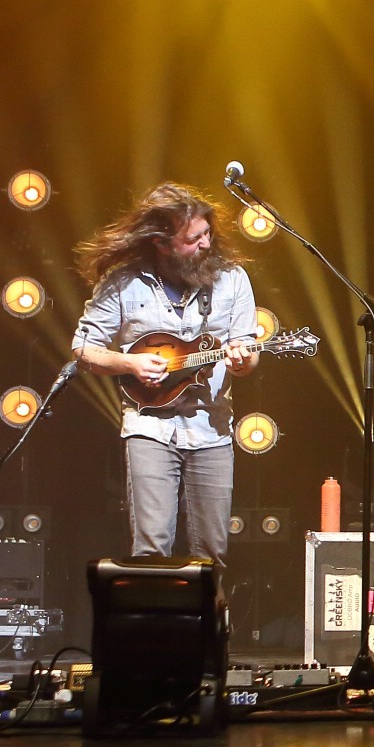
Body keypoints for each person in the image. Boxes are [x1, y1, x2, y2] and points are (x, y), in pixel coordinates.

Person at [72, 183, 258, 570]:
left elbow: (246, 351)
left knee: (212, 554)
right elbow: (83, 349)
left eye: (208, 233)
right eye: (193, 239)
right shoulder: (124, 282)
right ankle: (154, 630)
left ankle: (206, 629)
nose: (206, 244)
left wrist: (243, 362)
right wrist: (131, 364)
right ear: (161, 243)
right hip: (148, 427)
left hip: (213, 427)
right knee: (151, 550)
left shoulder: (233, 279)